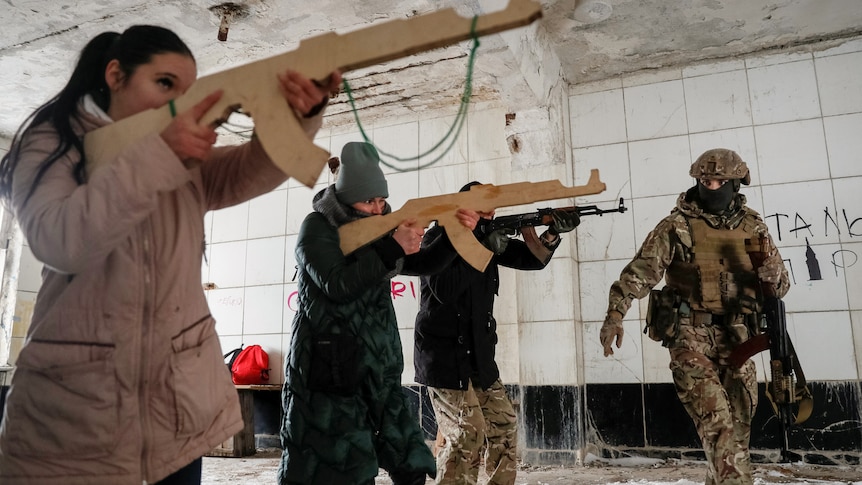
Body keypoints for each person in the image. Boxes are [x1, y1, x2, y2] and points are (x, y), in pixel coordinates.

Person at [0, 25, 340, 485]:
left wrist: (298, 116)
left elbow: (246, 171)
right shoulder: (52, 139)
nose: (176, 103)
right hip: (75, 423)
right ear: (116, 75)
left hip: (178, 414)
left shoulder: (173, 152)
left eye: (185, 91)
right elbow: (61, 241)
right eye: (163, 84)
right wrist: (160, 154)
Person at [278, 142, 481, 485]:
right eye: (367, 201)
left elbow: (425, 263)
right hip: (331, 370)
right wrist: (392, 245)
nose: (377, 209)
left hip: (379, 368)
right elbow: (336, 284)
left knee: (411, 464)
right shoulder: (317, 228)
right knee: (342, 467)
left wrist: (455, 232)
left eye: (381, 200)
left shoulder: (381, 227)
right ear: (344, 198)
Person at [599, 149, 790, 485]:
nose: (711, 186)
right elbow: (639, 274)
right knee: (718, 429)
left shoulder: (754, 226)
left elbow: (781, 286)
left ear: (735, 183)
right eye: (704, 180)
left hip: (739, 339)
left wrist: (773, 273)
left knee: (739, 434)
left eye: (718, 181)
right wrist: (615, 314)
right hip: (690, 338)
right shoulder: (677, 226)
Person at [413, 182, 580, 485]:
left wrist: (552, 233)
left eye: (492, 205)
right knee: (467, 434)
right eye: (481, 205)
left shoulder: (486, 236)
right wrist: (485, 247)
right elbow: (444, 290)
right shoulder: (439, 237)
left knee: (503, 426)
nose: (489, 211)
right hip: (446, 359)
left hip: (479, 358)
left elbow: (531, 259)